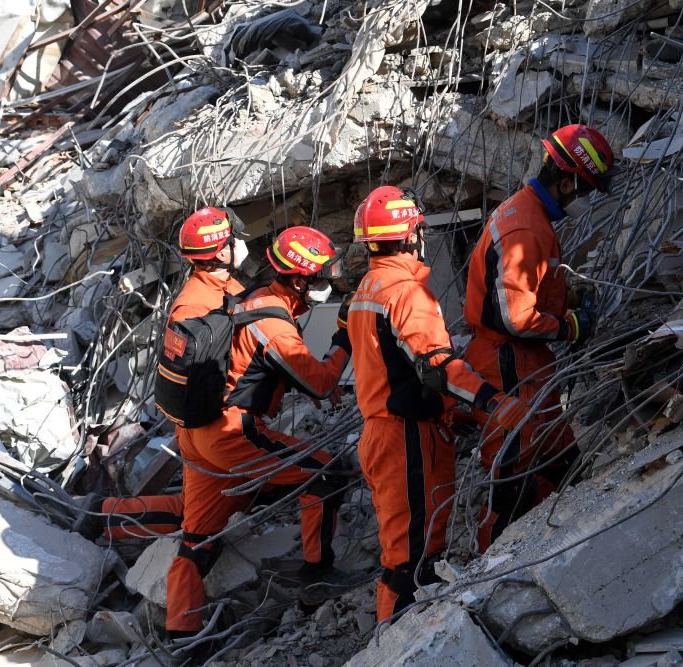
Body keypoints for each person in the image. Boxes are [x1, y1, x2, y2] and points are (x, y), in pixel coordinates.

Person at [345, 185, 529, 621]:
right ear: (411, 235)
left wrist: (449, 411)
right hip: (405, 437)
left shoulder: (368, 287)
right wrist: (491, 401)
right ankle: (398, 643)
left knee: (409, 549)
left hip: (386, 431)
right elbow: (436, 365)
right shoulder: (405, 291)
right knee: (411, 558)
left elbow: (395, 368)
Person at [165, 225, 351, 642]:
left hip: (196, 431)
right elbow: (318, 382)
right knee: (326, 473)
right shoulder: (275, 325)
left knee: (198, 538)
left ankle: (179, 636)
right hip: (232, 432)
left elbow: (270, 368)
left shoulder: (250, 296)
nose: (327, 283)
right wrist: (344, 339)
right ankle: (316, 579)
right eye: (321, 276)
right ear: (300, 280)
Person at [462, 124, 615, 550]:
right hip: (507, 361)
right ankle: (486, 566)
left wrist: (565, 295)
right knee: (512, 467)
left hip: (526, 360)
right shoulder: (525, 230)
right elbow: (515, 316)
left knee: (559, 456)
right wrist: (570, 325)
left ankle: (563, 542)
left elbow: (525, 288)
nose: (586, 201)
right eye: (585, 192)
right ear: (566, 183)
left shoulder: (529, 214)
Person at [74, 207, 249, 541]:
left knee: (195, 509)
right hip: (214, 423)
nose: (239, 245)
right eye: (232, 241)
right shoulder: (203, 305)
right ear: (222, 251)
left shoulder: (209, 290)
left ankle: (102, 514)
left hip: (200, 421)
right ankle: (104, 515)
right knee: (200, 518)